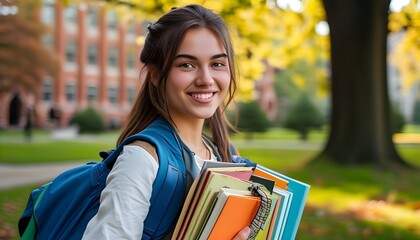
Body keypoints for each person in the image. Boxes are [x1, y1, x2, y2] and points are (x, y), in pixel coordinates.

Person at [83, 4, 250, 240]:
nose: (206, 79)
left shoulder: (224, 155)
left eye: (217, 64)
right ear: (155, 74)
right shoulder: (142, 159)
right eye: (186, 65)